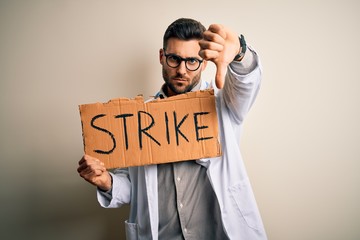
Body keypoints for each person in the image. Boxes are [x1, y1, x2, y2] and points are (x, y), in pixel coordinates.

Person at [77, 18, 267, 240]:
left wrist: (240, 53)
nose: (182, 70)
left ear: (204, 63)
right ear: (161, 57)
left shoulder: (225, 104)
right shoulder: (140, 118)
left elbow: (246, 82)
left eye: (192, 61)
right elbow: (133, 186)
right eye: (174, 59)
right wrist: (106, 182)